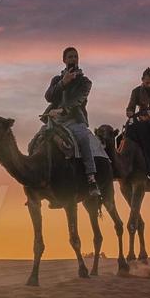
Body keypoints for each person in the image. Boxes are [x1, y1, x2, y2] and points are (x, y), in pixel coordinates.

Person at [44, 47, 99, 195]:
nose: (73, 59)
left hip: (75, 119)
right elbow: (49, 97)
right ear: (64, 60)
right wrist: (63, 82)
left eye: (75, 57)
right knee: (37, 140)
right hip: (55, 120)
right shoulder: (56, 80)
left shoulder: (85, 82)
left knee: (83, 138)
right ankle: (40, 180)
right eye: (70, 57)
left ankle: (91, 178)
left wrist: (62, 110)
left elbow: (78, 100)